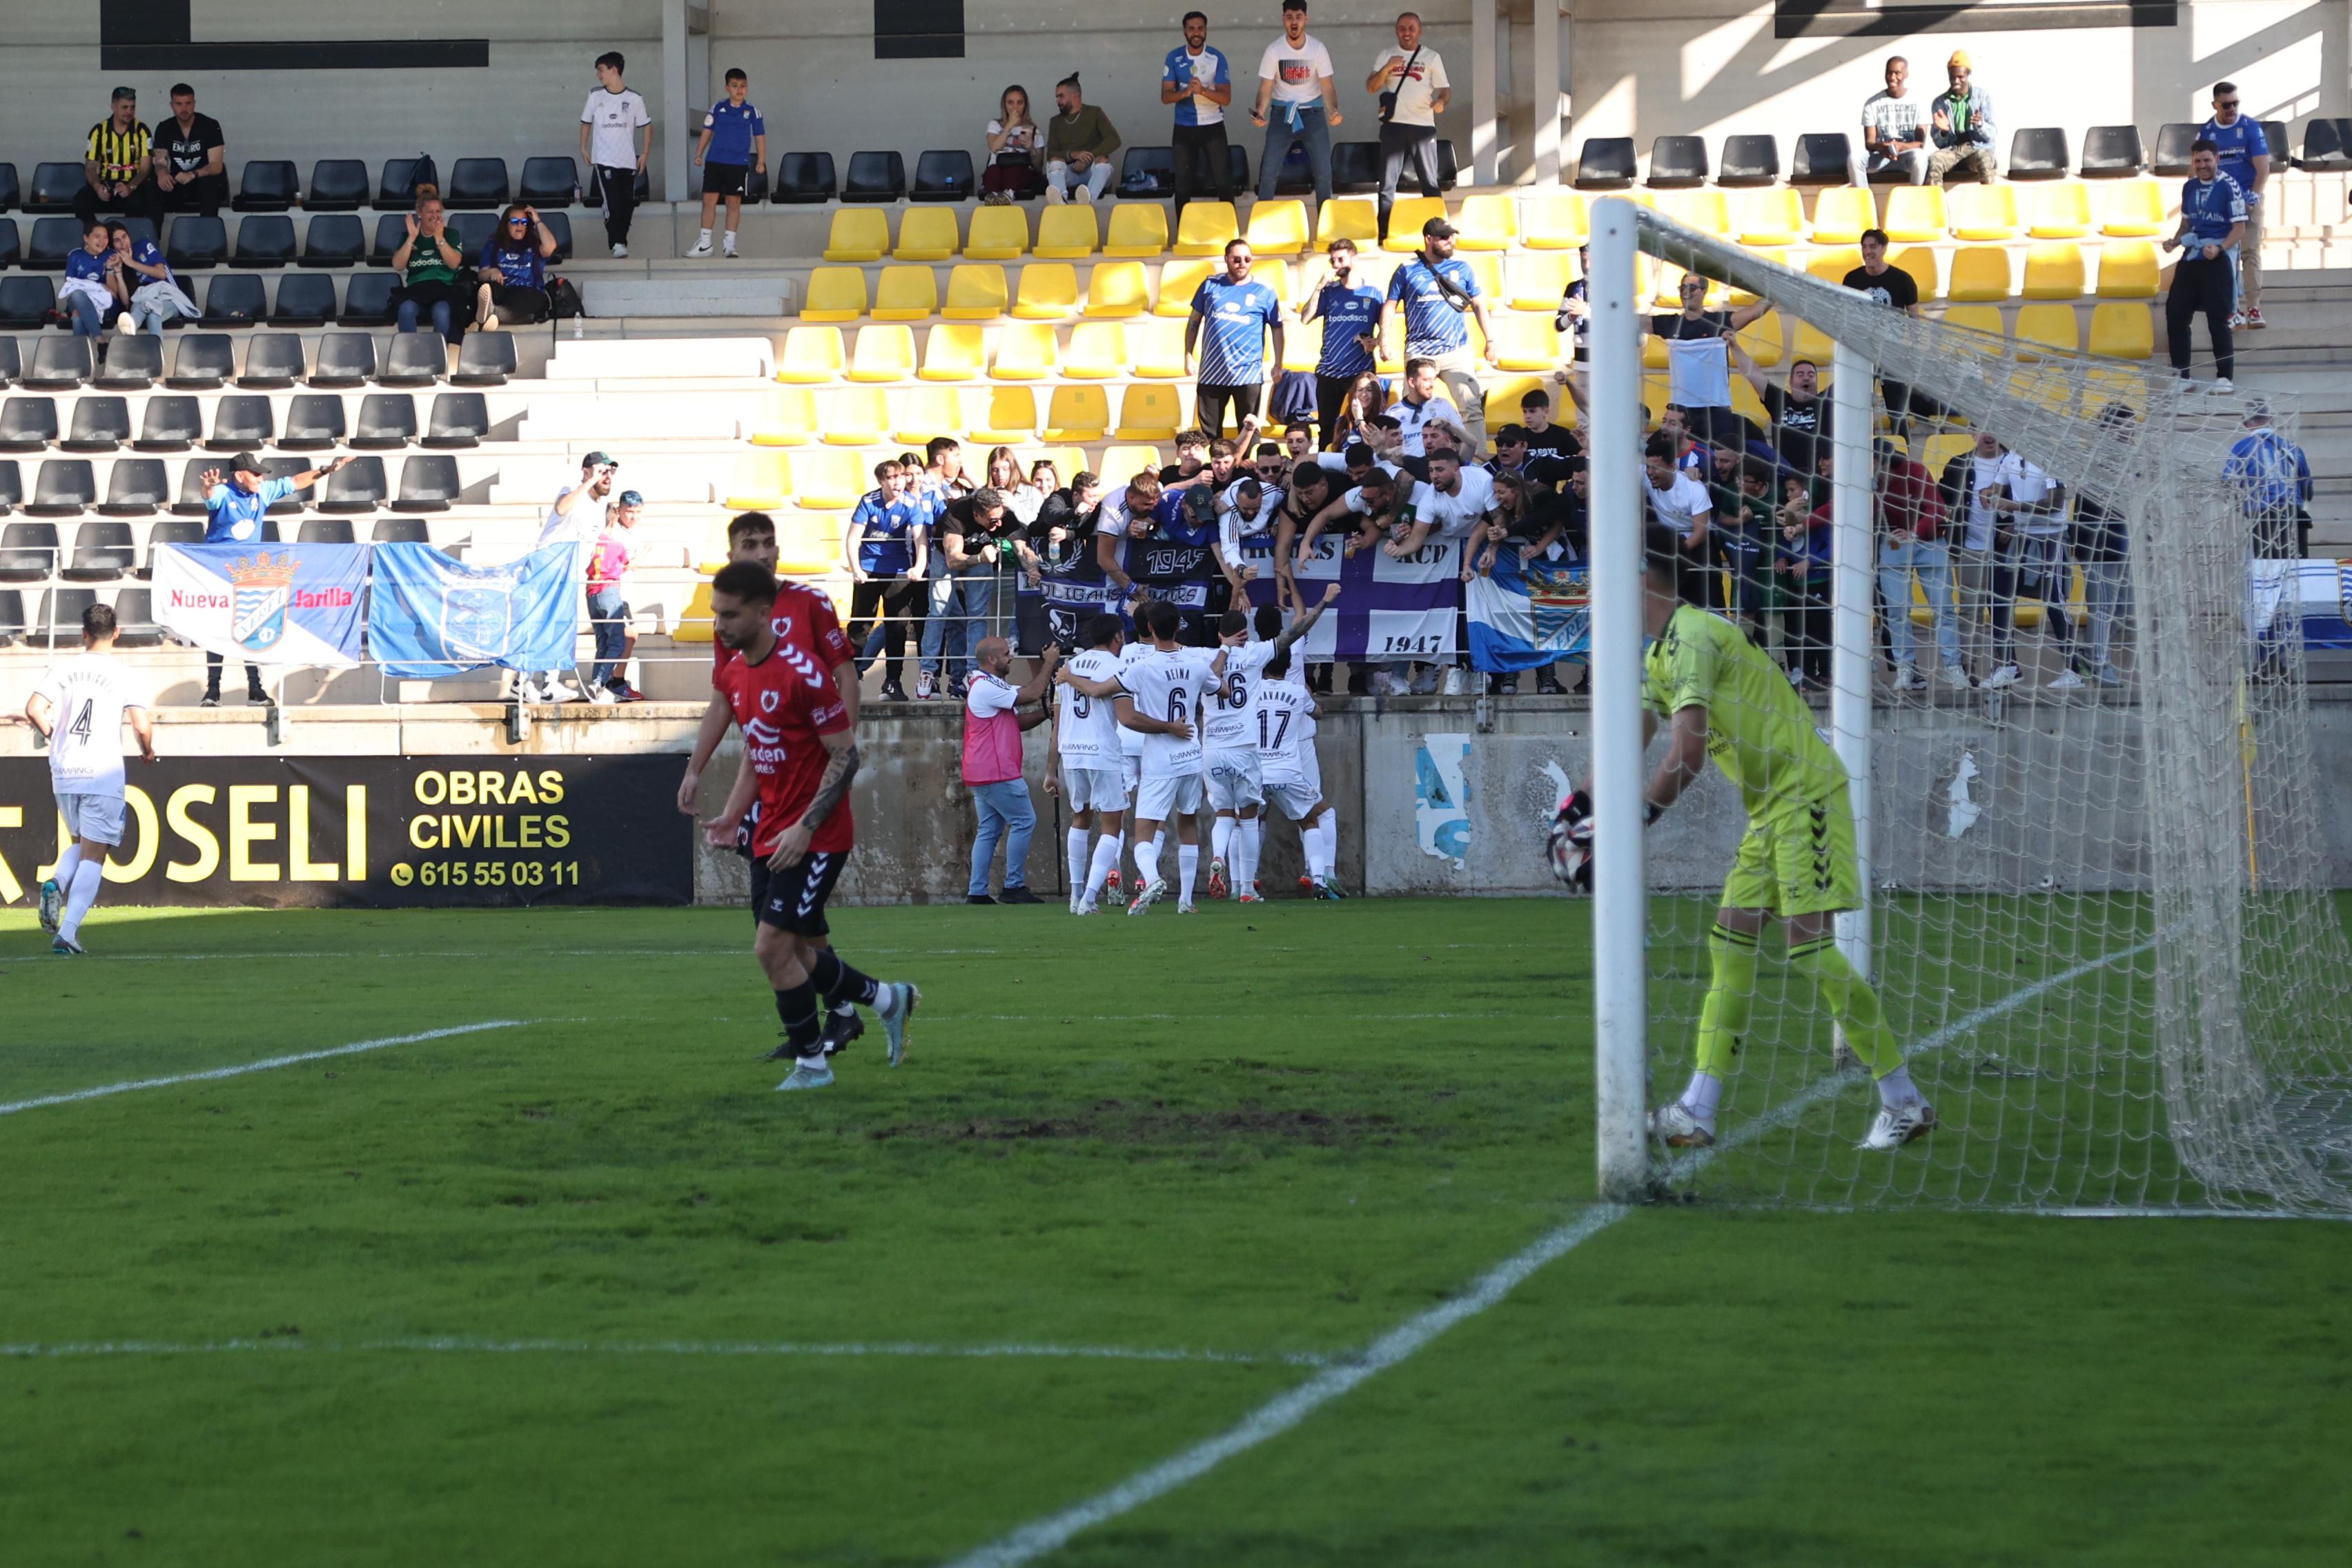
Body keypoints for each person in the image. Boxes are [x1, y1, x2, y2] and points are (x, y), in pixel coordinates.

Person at [1578, 522, 1934, 1153]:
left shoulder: (1692, 636)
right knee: (1731, 940)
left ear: (1640, 578)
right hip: (1770, 808)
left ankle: (1903, 1099)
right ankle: (1699, 1109)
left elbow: (1685, 752)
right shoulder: (1660, 651)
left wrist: (1639, 817)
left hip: (1805, 794)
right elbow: (1628, 737)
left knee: (1809, 950)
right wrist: (1579, 807)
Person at [698, 563, 917, 1092]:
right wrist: (732, 814)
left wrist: (803, 828)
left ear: (763, 613)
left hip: (816, 835)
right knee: (796, 952)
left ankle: (813, 1066)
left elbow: (845, 757)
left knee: (771, 948)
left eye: (730, 614)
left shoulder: (803, 673)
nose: (721, 624)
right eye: (716, 613)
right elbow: (759, 750)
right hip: (769, 830)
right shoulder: (733, 673)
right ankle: (888, 999)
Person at [27, 603, 156, 957]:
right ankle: (67, 934)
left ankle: (56, 881)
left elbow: (34, 708)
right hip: (102, 772)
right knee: (95, 856)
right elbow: (141, 725)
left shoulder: (64, 669)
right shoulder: (124, 674)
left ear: (83, 633)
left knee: (81, 843)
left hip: (65, 772)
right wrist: (147, 750)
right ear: (116, 633)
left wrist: (55, 736)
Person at [1199, 587, 1340, 899]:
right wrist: (1325, 600)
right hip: (1256, 754)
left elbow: (1173, 652)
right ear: (1244, 634)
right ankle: (1317, 877)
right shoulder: (1260, 658)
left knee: (1228, 816)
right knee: (1299, 818)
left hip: (1213, 749)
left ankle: (1226, 867)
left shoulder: (1204, 657)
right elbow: (1298, 630)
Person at [197, 451, 353, 706]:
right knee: (217, 628)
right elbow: (210, 497)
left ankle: (254, 689)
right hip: (218, 572)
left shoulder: (262, 492)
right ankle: (213, 689)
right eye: (255, 473)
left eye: (260, 474)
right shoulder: (225, 493)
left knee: (251, 627)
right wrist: (207, 486)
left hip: (248, 573)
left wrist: (326, 470)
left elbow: (296, 482)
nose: (260, 478)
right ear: (239, 475)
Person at [1114, 599, 1225, 912]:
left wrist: (1073, 679)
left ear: (1149, 628)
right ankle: (1187, 901)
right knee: (1187, 823)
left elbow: (1119, 706)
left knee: (1144, 832)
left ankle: (1151, 880)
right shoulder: (1196, 663)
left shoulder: (1141, 667)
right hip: (1192, 754)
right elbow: (1223, 690)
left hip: (1161, 758)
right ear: (1179, 627)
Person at [1382, 217, 1497, 450]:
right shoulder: (1407, 269)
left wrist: (1490, 340)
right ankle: (1411, 460)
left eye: (1452, 237)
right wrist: (1384, 340)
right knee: (1413, 410)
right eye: (1444, 238)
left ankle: (1477, 462)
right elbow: (1390, 305)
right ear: (1428, 239)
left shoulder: (1462, 268)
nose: (1451, 242)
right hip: (1419, 353)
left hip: (1456, 350)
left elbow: (1478, 304)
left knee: (1472, 408)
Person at [962, 636, 1057, 903]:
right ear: (991, 659)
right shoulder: (984, 687)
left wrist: (1044, 714)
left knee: (989, 830)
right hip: (998, 772)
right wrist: (1048, 664)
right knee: (1024, 821)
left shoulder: (991, 685)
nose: (1011, 657)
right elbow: (1031, 693)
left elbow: (1016, 721)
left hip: (982, 771)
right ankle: (1013, 886)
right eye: (1006, 654)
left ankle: (977, 892)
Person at [1048, 613, 1132, 914]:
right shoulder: (1118, 666)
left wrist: (1050, 769)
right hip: (1103, 753)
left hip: (1072, 752)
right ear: (1118, 637)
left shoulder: (1067, 668)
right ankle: (1090, 898)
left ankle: (1075, 895)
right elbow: (1119, 709)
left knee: (1079, 819)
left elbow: (1057, 723)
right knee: (1111, 826)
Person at [1873, 438, 1966, 691]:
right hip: (1893, 542)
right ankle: (1905, 668)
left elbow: (1937, 508)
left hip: (1929, 541)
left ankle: (1952, 667)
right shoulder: (1868, 483)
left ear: (1884, 463)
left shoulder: (1915, 471)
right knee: (1897, 610)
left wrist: (1916, 532)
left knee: (1944, 607)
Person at [527, 452, 619, 704]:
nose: (608, 476)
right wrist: (588, 483)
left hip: (569, 573)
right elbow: (561, 508)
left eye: (611, 472)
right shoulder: (572, 491)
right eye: (602, 470)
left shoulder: (600, 505)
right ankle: (538, 683)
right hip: (550, 567)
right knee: (548, 626)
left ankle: (536, 683)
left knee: (557, 626)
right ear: (587, 471)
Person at [1251, 642, 1341, 894]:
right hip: (1287, 771)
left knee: (1248, 821)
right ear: (1289, 665)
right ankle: (1321, 878)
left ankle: (1244, 884)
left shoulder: (1250, 690)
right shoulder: (1298, 692)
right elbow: (1318, 714)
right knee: (1312, 818)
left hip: (1257, 771)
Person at [1652, 273, 1772, 449]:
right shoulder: (1671, 324)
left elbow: (1755, 312)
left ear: (1704, 291)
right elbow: (1636, 321)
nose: (1686, 292)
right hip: (1682, 411)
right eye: (1682, 288)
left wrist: (1775, 290)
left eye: (1692, 288)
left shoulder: (1719, 322)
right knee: (1682, 461)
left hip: (1717, 409)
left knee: (1719, 460)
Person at [845, 458, 930, 700]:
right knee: (860, 624)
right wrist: (856, 569)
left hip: (898, 569)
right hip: (870, 570)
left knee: (898, 626)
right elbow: (853, 539)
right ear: (881, 480)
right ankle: (849, 678)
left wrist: (919, 567)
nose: (898, 482)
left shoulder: (910, 503)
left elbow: (921, 539)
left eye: (901, 477)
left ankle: (893, 681)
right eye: (892, 478)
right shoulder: (869, 501)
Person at [2164, 140, 2245, 393]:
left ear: (2217, 160)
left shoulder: (2230, 187)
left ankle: (2225, 377)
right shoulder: (2189, 187)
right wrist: (2175, 242)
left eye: (2207, 160)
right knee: (2175, 314)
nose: (2202, 166)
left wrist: (2220, 248)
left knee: (2217, 319)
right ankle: (2182, 377)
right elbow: (2186, 225)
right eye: (2197, 161)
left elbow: (2239, 228)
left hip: (2216, 258)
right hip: (2192, 256)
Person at [1188, 238, 1285, 440]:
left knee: (1249, 429)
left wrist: (1278, 363)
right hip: (1212, 372)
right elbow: (1194, 321)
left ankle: (1250, 470)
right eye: (1237, 259)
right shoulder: (1210, 285)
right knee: (1210, 434)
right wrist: (1188, 354)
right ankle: (1216, 470)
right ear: (1226, 259)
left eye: (1247, 259)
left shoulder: (1264, 290)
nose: (1242, 264)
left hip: (1247, 373)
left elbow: (1277, 327)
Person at [1251, 0, 1344, 208]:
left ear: (1306, 19)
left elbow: (1327, 86)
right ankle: (1261, 224)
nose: (1294, 22)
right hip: (1282, 113)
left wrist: (1333, 110)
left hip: (1313, 114)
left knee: (1323, 173)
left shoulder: (1317, 48)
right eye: (1290, 17)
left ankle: (1325, 225)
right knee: (1268, 173)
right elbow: (1266, 88)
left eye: (1299, 17)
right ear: (1284, 19)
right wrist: (1260, 111)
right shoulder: (1274, 50)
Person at [1367, 11, 1449, 241]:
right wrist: (1386, 69)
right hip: (1393, 127)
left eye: (1411, 28)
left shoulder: (1432, 57)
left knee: (1430, 184)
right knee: (1387, 185)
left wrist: (1441, 102)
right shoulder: (1386, 54)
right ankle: (1385, 233)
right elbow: (1371, 87)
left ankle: (1438, 236)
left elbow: (1445, 89)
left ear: (1419, 30)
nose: (1407, 33)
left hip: (1423, 126)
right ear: (1397, 31)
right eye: (1402, 28)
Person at [1940, 427, 2012, 685]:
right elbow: (1942, 498)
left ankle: (2003, 667)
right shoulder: (1959, 464)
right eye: (1984, 429)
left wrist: (2014, 526)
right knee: (1971, 610)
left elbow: (2030, 499)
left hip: (2005, 551)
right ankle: (1969, 667)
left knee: (2002, 610)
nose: (1990, 434)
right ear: (1973, 434)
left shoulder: (2014, 463)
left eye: (1995, 427)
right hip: (1969, 549)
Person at [1843, 229, 1932, 436]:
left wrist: (1913, 352)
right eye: (1864, 247)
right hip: (1863, 353)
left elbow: (1914, 321)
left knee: (1897, 412)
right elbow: (1845, 316)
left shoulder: (1902, 280)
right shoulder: (1852, 279)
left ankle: (1903, 461)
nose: (1868, 251)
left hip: (1893, 354)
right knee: (1857, 410)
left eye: (1873, 246)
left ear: (1884, 248)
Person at [1297, 238, 1384, 444]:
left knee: (1365, 421)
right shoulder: (1329, 291)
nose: (1336, 265)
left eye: (1341, 259)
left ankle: (1367, 465)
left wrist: (1376, 342)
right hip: (1329, 371)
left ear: (1354, 257)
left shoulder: (1372, 294)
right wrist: (1319, 286)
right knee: (1326, 427)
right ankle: (1326, 470)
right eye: (1333, 261)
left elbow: (1386, 330)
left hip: (1359, 372)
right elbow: (1305, 318)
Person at [2202, 81, 2270, 329]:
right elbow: (2197, 169)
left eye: (2235, 103)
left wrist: (2252, 198)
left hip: (2248, 201)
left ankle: (2254, 308)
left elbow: (2263, 169)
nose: (2232, 109)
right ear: (2215, 105)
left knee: (2250, 252)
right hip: (2221, 205)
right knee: (2226, 256)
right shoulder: (2207, 132)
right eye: (2226, 105)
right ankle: (2232, 310)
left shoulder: (2251, 128)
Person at [582, 50, 651, 258]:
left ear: (613, 70)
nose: (599, 75)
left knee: (626, 203)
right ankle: (617, 243)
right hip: (604, 160)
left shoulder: (634, 98)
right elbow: (586, 122)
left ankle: (621, 240)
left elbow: (647, 126)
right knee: (611, 202)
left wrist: (645, 153)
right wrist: (584, 148)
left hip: (628, 161)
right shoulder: (595, 95)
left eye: (601, 70)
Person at [690, 68, 766, 258]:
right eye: (735, 86)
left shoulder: (752, 111)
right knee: (709, 200)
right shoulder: (717, 108)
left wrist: (761, 161)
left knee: (734, 202)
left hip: (738, 164)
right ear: (727, 88)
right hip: (715, 161)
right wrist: (699, 152)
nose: (739, 90)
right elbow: (707, 130)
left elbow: (760, 136)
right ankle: (705, 243)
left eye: (743, 86)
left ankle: (729, 245)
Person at [2226, 399, 2314, 560]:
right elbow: (2307, 486)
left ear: (2245, 422)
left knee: (2266, 567)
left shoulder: (2241, 448)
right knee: (2295, 566)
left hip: (2260, 516)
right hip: (2291, 513)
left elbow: (2228, 482)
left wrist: (2239, 504)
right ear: (2272, 420)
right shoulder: (2292, 447)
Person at [1165, 13, 1235, 214]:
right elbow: (1165, 97)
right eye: (1191, 29)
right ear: (1184, 31)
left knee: (1223, 181)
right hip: (1184, 127)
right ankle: (1183, 235)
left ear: (1206, 30)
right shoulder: (1174, 57)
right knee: (1182, 185)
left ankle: (1230, 232)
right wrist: (1185, 92)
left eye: (1200, 28)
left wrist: (1203, 91)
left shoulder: (1216, 57)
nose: (1196, 33)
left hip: (1213, 126)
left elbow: (1227, 99)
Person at [391, 186, 471, 347]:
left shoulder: (451, 234)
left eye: (438, 212)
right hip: (417, 292)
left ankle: (437, 358)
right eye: (430, 212)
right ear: (419, 213)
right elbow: (398, 265)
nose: (435, 216)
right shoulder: (409, 236)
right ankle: (410, 356)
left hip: (444, 291)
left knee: (441, 313)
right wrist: (411, 239)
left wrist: (440, 239)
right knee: (406, 310)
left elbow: (454, 263)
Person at [587, 489, 643, 703]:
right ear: (620, 511)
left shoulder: (631, 532)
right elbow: (624, 567)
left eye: (638, 511)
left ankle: (601, 685)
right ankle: (613, 682)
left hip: (610, 592)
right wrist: (646, 553)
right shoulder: (614, 534)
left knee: (608, 640)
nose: (634, 516)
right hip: (614, 593)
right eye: (630, 511)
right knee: (627, 636)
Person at [76, 87, 159, 229]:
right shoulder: (99, 131)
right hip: (106, 184)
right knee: (80, 201)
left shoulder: (142, 131)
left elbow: (146, 169)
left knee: (138, 203)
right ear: (113, 107)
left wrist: (130, 187)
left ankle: (128, 243)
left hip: (133, 186)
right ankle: (96, 237)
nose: (129, 112)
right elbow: (90, 167)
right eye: (125, 107)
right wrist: (97, 187)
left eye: (133, 107)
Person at [1744, 355, 1831, 479]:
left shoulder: (1825, 403)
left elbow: (1847, 377)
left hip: (1818, 478)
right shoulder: (1779, 401)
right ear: (1791, 382)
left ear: (1817, 381)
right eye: (1800, 375)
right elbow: (1753, 373)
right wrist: (1734, 345)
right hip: (1785, 476)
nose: (1806, 378)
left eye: (1811, 375)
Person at [475, 204, 558, 331]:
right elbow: (481, 275)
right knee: (489, 287)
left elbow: (550, 246)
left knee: (529, 298)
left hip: (528, 292)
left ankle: (494, 314)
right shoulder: (493, 245)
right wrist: (491, 272)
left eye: (524, 222)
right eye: (514, 222)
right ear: (506, 224)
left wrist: (537, 220)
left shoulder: (535, 244)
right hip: (504, 290)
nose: (519, 226)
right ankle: (491, 313)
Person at [1043, 73, 1121, 206]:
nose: (1058, 101)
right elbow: (1051, 153)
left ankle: (1087, 201)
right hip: (1070, 171)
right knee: (1054, 163)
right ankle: (1060, 201)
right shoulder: (1056, 121)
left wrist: (1089, 157)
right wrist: (1073, 155)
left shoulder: (1095, 113)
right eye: (1057, 97)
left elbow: (1114, 140)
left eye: (1061, 96)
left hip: (1093, 172)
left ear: (1075, 95)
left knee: (1103, 163)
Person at [150, 84, 228, 217]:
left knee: (210, 183)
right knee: (154, 183)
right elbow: (160, 161)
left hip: (201, 178)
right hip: (178, 180)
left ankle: (208, 234)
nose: (184, 109)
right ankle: (154, 236)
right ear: (172, 105)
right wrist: (162, 172)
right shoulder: (164, 127)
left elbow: (216, 166)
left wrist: (193, 174)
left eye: (188, 103)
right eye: (179, 104)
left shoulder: (210, 125)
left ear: (194, 104)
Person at [1925, 50, 1997, 186]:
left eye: (1960, 77)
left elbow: (1991, 136)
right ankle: (1936, 204)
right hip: (1953, 149)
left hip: (1975, 147)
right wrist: (1944, 132)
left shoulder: (1983, 97)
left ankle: (1990, 204)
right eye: (1953, 77)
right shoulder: (1940, 103)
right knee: (1934, 161)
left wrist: (1981, 125)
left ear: (1968, 75)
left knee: (1986, 159)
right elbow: (1939, 143)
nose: (1956, 81)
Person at [112, 219, 197, 335]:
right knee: (145, 310)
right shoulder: (116, 262)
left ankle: (145, 341)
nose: (123, 244)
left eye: (124, 237)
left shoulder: (143, 245)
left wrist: (131, 263)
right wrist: (119, 272)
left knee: (153, 314)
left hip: (167, 298)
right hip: (142, 302)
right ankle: (131, 330)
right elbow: (126, 301)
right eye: (117, 241)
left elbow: (162, 274)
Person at [1854, 56, 1928, 186]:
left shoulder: (1919, 101)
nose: (1892, 77)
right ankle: (1863, 201)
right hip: (1881, 157)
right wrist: (1882, 147)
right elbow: (1869, 142)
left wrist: (1901, 147)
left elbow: (1920, 144)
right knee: (1855, 159)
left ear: (1906, 74)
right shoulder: (1872, 103)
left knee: (1920, 158)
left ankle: (1916, 201)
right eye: (1889, 73)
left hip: (1906, 157)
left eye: (1897, 73)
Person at [58, 219, 122, 340]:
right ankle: (99, 339)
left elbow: (113, 294)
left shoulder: (112, 256)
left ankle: (82, 356)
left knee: (78, 316)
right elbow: (70, 286)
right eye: (97, 237)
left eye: (105, 237)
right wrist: (99, 286)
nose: (102, 242)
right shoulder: (75, 255)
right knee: (77, 295)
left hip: (105, 303)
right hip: (80, 300)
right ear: (86, 238)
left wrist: (109, 268)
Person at [983, 86, 1046, 203]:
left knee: (1013, 171)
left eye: (1020, 103)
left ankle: (1008, 196)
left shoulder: (1035, 130)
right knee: (994, 171)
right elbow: (994, 147)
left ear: (1025, 105)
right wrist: (1009, 126)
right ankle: (993, 197)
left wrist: (1031, 147)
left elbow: (1038, 166)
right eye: (1010, 103)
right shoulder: (995, 125)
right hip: (997, 168)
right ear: (1004, 105)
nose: (1015, 107)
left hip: (1019, 172)